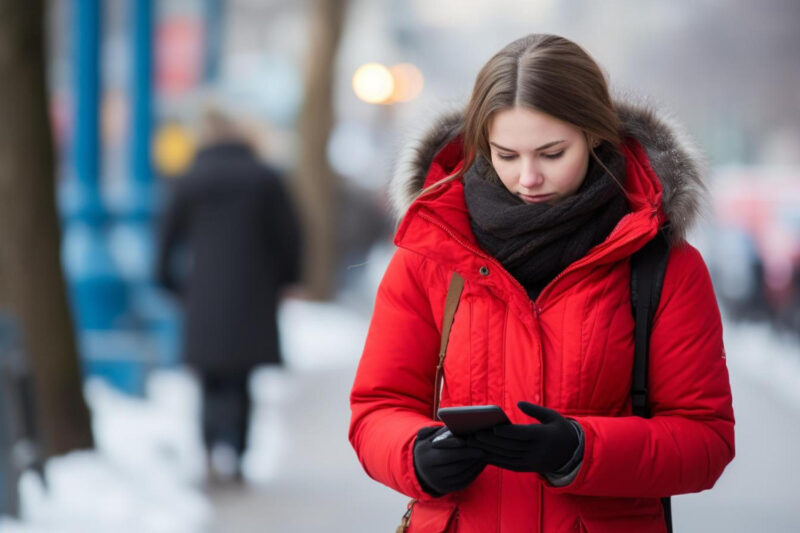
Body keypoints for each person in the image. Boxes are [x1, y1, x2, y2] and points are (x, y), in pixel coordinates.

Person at [349, 34, 734, 532]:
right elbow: (378, 408)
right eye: (505, 155)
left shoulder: (662, 265)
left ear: (595, 135)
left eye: (551, 154)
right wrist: (417, 453)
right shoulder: (431, 254)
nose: (527, 177)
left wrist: (582, 448)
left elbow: (706, 439)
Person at [156, 105, 302, 484]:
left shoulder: (190, 179)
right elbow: (289, 236)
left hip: (202, 293)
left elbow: (167, 237)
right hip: (253, 293)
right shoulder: (264, 178)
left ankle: (207, 449)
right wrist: (287, 279)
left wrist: (169, 284)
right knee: (241, 379)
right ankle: (236, 453)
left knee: (208, 378)